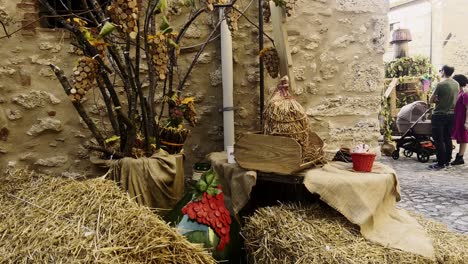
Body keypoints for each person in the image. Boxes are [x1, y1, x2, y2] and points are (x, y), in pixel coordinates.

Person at [428, 65, 459, 170]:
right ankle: (447, 161)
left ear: (444, 71)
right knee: (447, 138)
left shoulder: (440, 84)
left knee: (439, 140)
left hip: (439, 115)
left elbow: (431, 100)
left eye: (440, 70)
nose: (440, 72)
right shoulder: (456, 84)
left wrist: (437, 100)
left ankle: (440, 163)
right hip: (451, 114)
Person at [450, 74, 468, 165]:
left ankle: (460, 157)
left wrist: (466, 122)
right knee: (460, 137)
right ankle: (458, 157)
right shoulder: (459, 92)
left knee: (463, 138)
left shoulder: (465, 93)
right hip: (458, 118)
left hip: (463, 119)